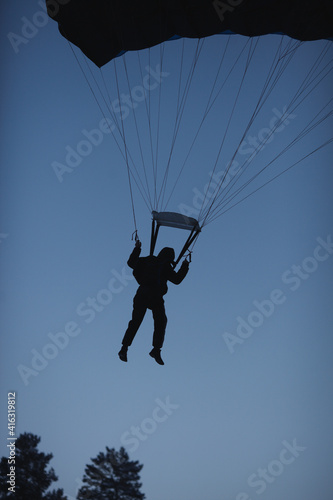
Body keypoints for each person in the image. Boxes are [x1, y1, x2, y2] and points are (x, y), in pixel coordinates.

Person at [118, 239, 190, 365]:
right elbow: (177, 280)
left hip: (145, 294)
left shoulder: (148, 260)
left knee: (137, 321)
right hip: (153, 295)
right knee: (159, 321)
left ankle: (125, 348)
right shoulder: (164, 266)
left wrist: (137, 249)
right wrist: (185, 266)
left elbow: (131, 263)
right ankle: (155, 349)